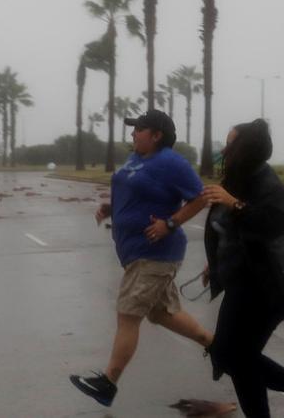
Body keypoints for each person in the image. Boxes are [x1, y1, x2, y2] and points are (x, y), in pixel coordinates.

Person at [69, 110, 218, 408]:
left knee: (128, 313)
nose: (133, 133)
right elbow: (137, 191)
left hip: (156, 254)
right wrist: (113, 208)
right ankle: (217, 347)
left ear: (156, 134)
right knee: (162, 313)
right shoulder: (136, 158)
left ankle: (108, 383)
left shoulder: (171, 162)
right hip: (136, 253)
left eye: (138, 129)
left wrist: (170, 223)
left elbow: (201, 197)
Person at [201, 119, 284, 418]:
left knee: (235, 356)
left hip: (272, 288)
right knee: (234, 357)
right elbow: (226, 230)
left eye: (230, 144)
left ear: (246, 149)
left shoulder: (269, 186)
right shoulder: (236, 180)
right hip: (245, 284)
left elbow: (271, 226)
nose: (224, 150)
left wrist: (235, 204)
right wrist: (214, 261)